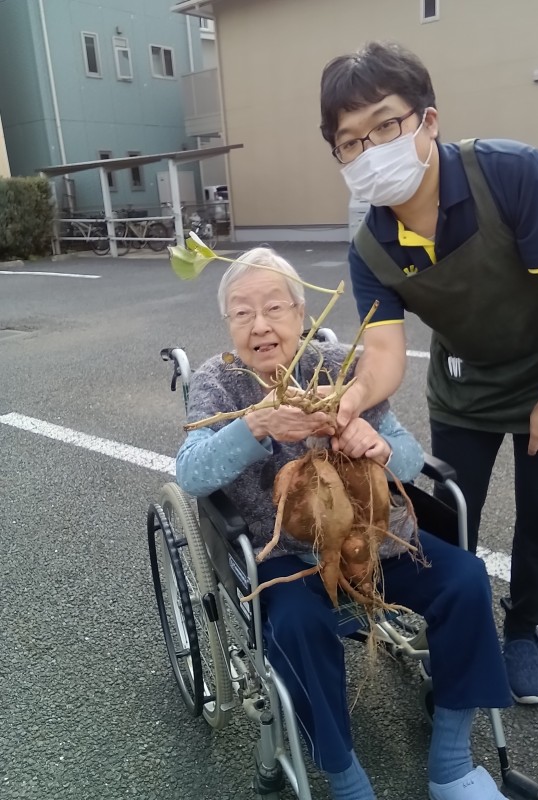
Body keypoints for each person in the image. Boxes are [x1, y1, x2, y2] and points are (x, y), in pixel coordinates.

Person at [319, 41, 538, 706]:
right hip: (465, 385)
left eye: (385, 125)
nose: (369, 150)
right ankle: (459, 631)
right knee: (449, 515)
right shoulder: (371, 248)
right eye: (349, 141)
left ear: (428, 120)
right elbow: (385, 352)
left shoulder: (512, 173)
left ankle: (524, 629)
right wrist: (352, 398)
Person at [176, 247, 513, 800]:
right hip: (283, 556)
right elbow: (191, 472)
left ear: (301, 312)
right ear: (228, 323)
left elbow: (409, 456)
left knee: (465, 579)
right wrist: (254, 427)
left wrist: (378, 446)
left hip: (373, 539)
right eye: (242, 313)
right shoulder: (220, 382)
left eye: (275, 308)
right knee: (299, 626)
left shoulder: (338, 367)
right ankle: (344, 776)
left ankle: (452, 762)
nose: (260, 325)